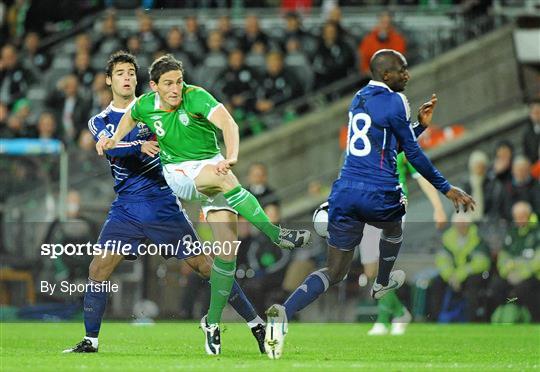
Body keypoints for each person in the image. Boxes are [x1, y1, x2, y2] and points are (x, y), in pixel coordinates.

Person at [263, 49, 475, 359]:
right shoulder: (396, 101)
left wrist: (419, 126)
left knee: (335, 271)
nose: (408, 74)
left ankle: (283, 313)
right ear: (387, 75)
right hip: (378, 191)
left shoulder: (358, 98)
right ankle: (382, 283)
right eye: (402, 70)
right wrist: (446, 188)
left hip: (345, 192)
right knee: (394, 223)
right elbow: (412, 154)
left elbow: (387, 142)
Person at [96, 54, 311, 355]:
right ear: (154, 85)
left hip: (212, 166)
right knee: (227, 181)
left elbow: (229, 124)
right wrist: (114, 139)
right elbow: (129, 117)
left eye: (179, 82)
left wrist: (232, 155)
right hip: (180, 172)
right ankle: (278, 235)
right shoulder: (145, 104)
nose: (175, 89)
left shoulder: (195, 96)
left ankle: (211, 323)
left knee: (226, 256)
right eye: (168, 84)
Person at [64, 51, 266, 355]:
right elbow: (111, 148)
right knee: (98, 268)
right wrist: (133, 144)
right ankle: (90, 341)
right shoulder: (100, 119)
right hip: (127, 207)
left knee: (205, 267)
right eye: (120, 73)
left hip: (162, 202)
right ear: (109, 80)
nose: (127, 77)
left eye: (131, 72)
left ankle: (256, 324)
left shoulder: (155, 105)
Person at [364, 152, 448, 336]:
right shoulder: (363, 142)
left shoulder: (401, 143)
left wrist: (438, 207)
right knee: (371, 270)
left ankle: (383, 320)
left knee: (383, 263)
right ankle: (400, 312)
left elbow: (421, 175)